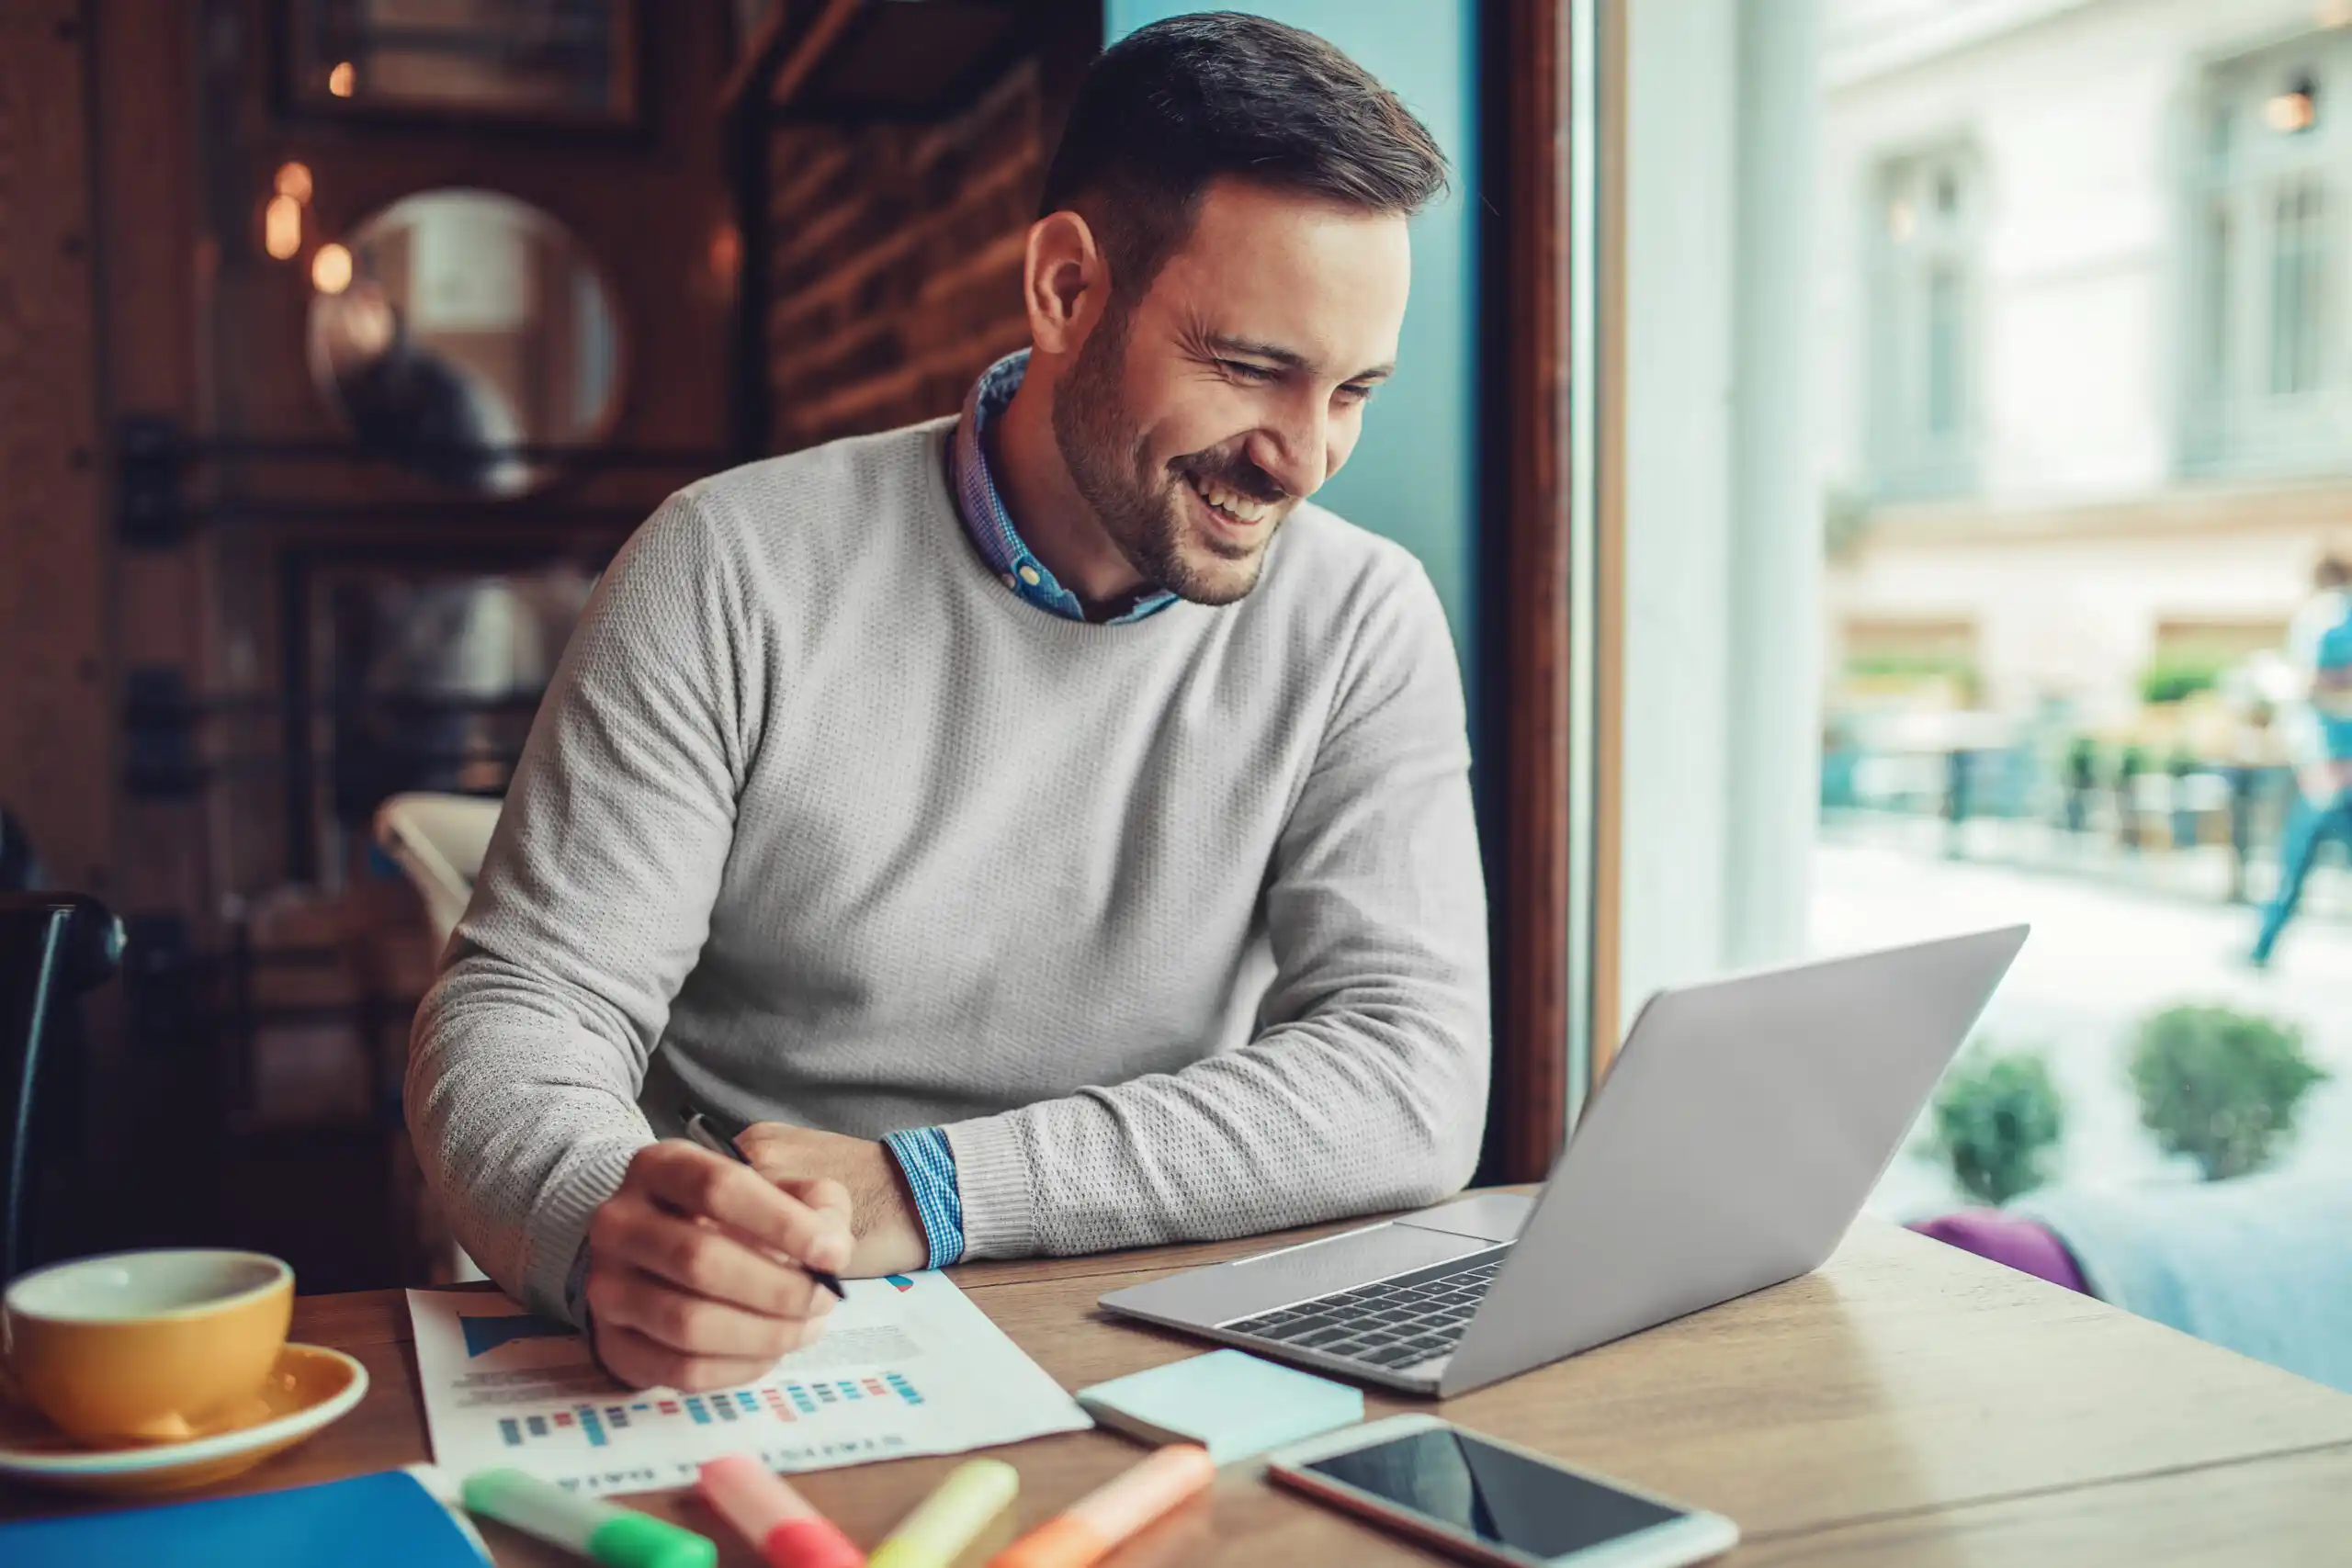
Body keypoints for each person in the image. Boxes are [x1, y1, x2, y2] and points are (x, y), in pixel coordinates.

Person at [405, 15, 1487, 1393]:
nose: (1305, 458)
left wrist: (929, 1186)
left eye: (1354, 392)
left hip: (1155, 1324)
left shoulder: (1362, 619)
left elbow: (1412, 1075)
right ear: (1065, 289)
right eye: (1253, 367)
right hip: (776, 1330)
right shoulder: (728, 563)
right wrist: (603, 1220)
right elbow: (524, 1000)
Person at [2249, 553, 2352, 967]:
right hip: (2332, 766)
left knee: (2295, 859)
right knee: (2296, 858)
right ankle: (2262, 946)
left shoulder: (2327, 620)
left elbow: (2317, 687)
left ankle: (2263, 946)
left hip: (2332, 768)